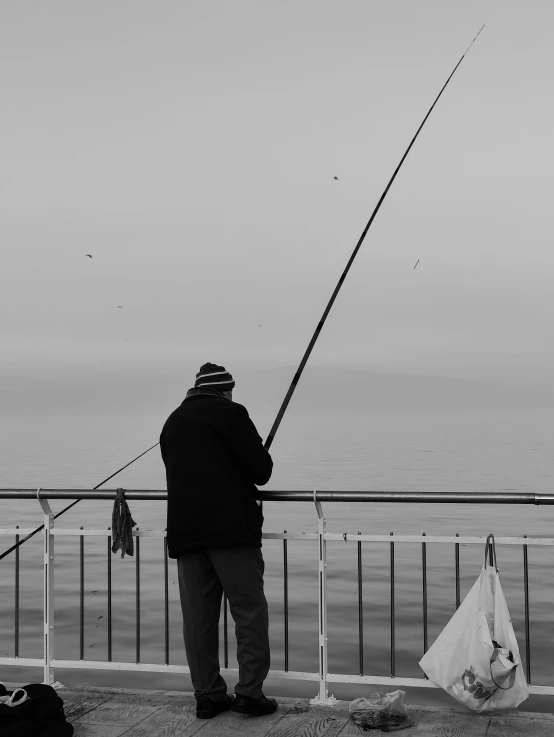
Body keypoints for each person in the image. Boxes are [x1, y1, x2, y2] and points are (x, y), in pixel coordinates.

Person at [160, 362, 277, 720]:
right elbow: (261, 471)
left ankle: (208, 697)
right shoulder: (232, 413)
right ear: (225, 390)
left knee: (197, 619)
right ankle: (249, 695)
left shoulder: (173, 421)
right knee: (248, 612)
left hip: (186, 533)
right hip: (231, 532)